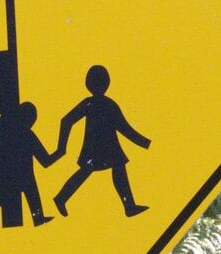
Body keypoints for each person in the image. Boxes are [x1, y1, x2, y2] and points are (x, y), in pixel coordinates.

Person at [52, 65, 150, 218]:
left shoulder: (97, 103)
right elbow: (67, 120)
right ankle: (61, 197)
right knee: (90, 170)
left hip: (106, 146)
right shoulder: (101, 104)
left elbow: (124, 127)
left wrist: (61, 148)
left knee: (116, 169)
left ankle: (129, 206)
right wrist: (61, 148)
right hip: (99, 147)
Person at [0, 100, 58, 229]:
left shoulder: (7, 133)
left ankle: (37, 218)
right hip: (21, 175)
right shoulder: (27, 134)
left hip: (9, 175)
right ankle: (37, 218)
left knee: (30, 194)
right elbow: (45, 161)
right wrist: (60, 153)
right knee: (30, 193)